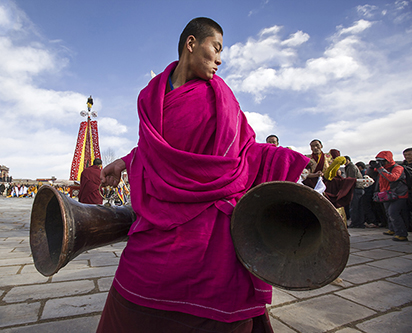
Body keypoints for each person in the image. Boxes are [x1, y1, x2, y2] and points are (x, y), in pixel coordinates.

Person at [98, 17, 309, 332]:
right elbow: (154, 147)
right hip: (159, 219)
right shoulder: (149, 96)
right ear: (192, 43)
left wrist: (288, 160)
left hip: (210, 221)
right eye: (217, 48)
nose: (220, 60)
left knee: (220, 298)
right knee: (133, 284)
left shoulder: (222, 98)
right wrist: (125, 161)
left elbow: (245, 151)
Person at [368, 151, 409, 241]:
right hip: (386, 194)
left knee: (393, 213)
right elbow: (370, 174)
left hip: (399, 194)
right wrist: (372, 167)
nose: (380, 162)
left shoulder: (398, 168)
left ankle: (401, 234)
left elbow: (392, 178)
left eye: (382, 160)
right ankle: (392, 229)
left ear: (388, 160)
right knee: (388, 213)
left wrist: (380, 168)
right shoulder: (381, 169)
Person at [344, 156, 365, 228]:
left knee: (354, 207)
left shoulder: (351, 167)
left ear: (348, 160)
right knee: (358, 207)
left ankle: (355, 223)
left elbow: (351, 179)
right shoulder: (350, 167)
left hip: (356, 188)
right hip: (358, 188)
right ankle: (359, 223)